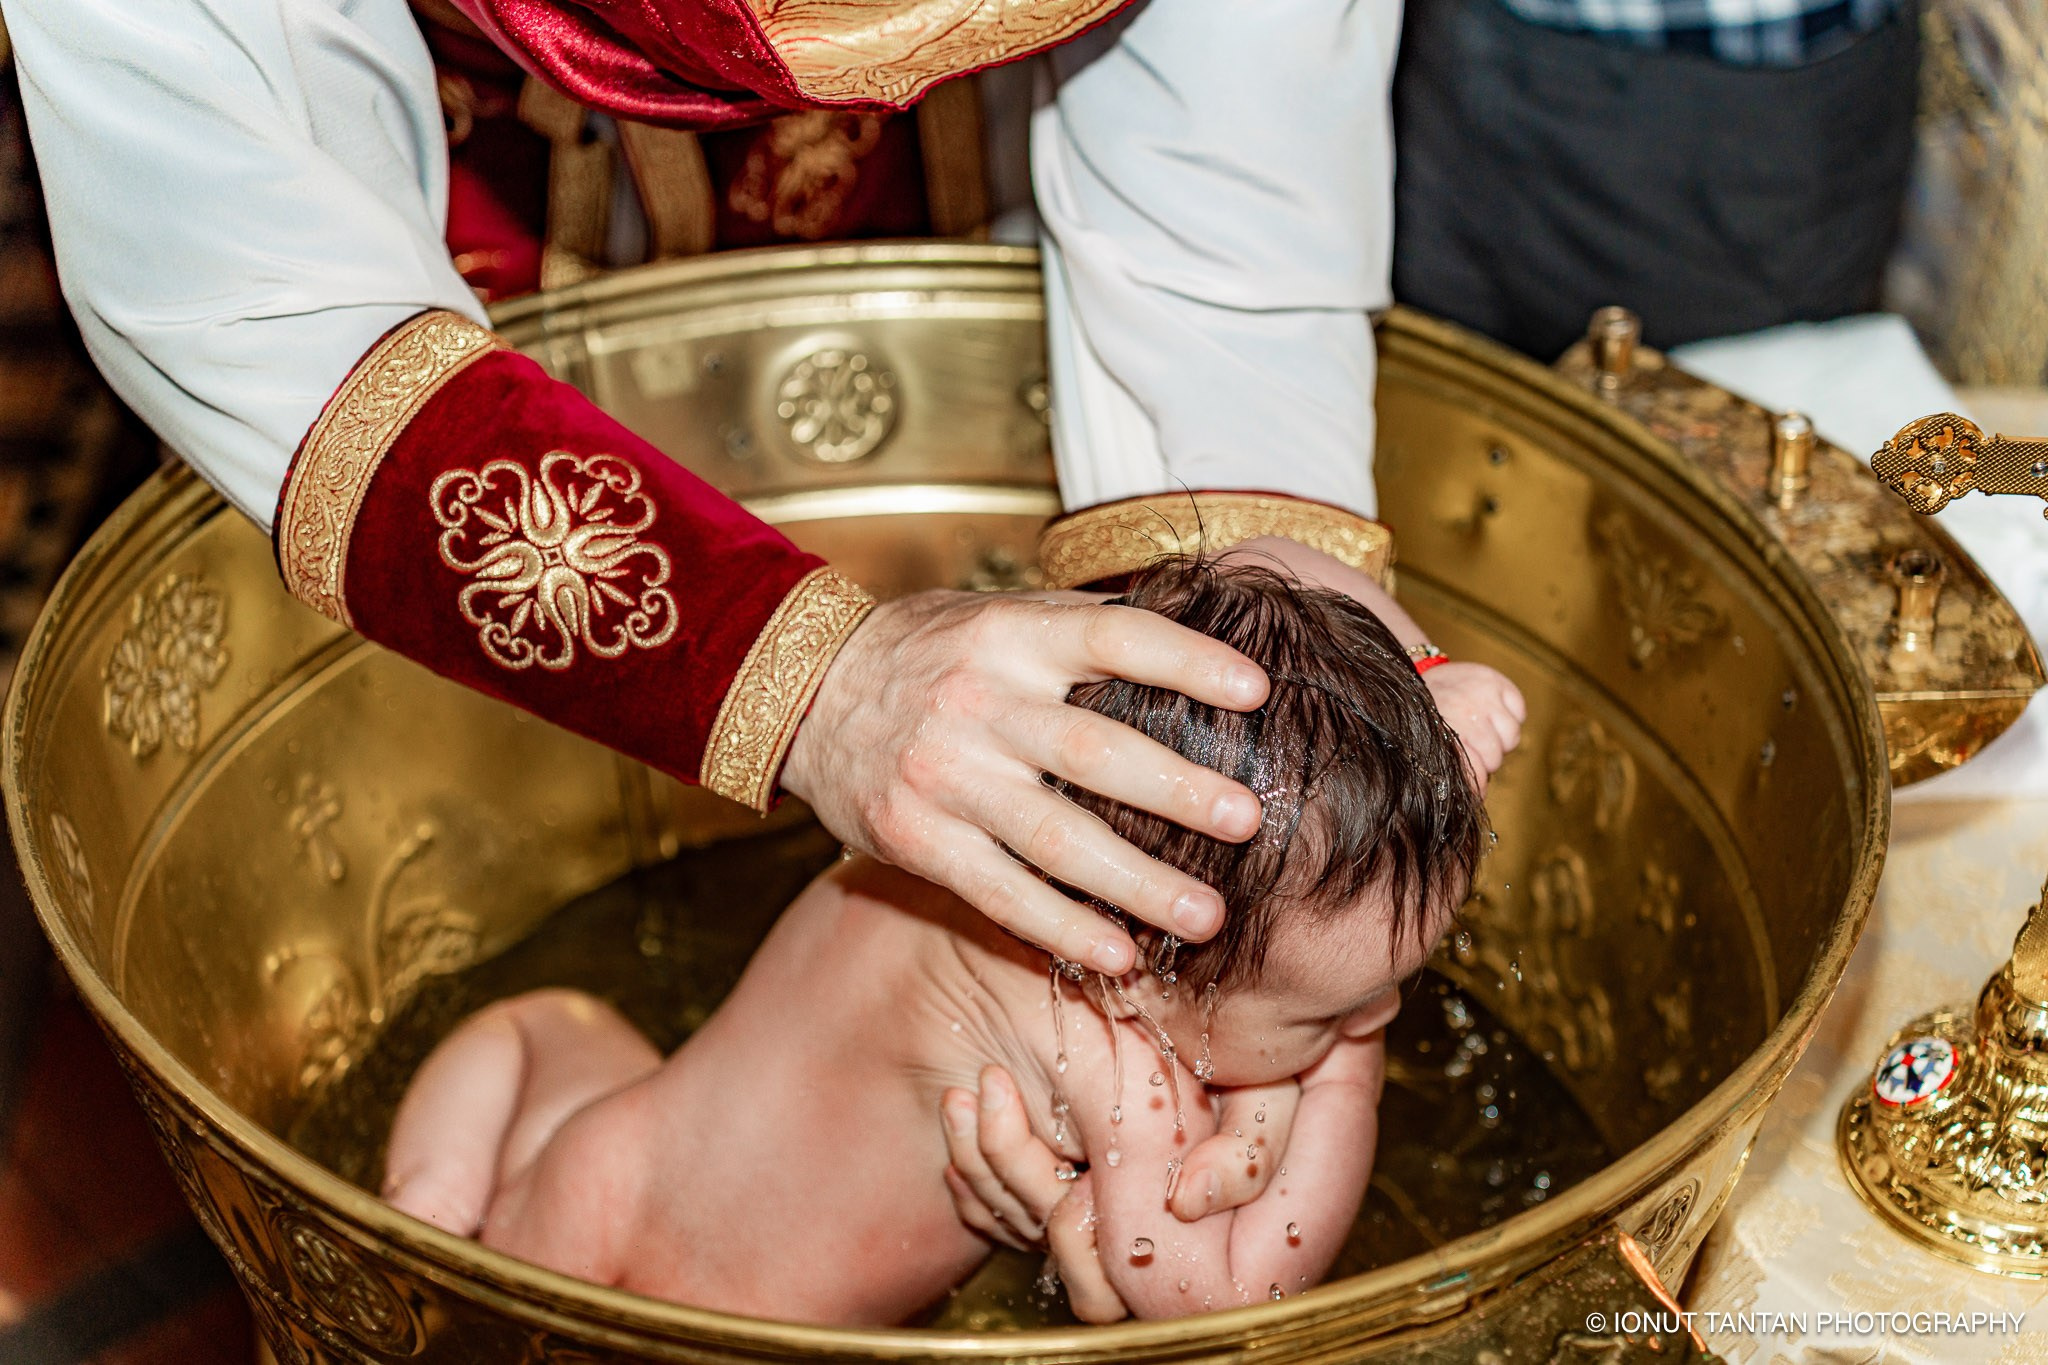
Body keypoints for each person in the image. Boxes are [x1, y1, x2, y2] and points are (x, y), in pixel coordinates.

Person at [382, 557, 1493, 1321]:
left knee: (546, 1025)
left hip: (580, 1183)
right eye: (1336, 1011)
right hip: (735, 1340)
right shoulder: (1109, 1063)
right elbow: (1229, 1293)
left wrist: (1428, 704)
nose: (1378, 1016)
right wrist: (1346, 1083)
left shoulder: (964, 816)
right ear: (1134, 966)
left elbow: (1266, 580)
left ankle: (421, 1216)